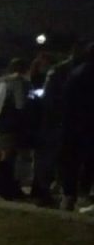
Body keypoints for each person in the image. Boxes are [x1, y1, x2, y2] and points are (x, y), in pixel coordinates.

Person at [33, 41, 78, 206]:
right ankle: (54, 192)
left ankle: (47, 192)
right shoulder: (65, 71)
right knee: (57, 159)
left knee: (49, 159)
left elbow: (47, 99)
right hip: (61, 122)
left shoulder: (57, 71)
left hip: (52, 121)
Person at [61, 42, 94, 212]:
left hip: (73, 124)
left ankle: (69, 195)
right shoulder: (87, 74)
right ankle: (83, 194)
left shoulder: (76, 73)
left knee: (72, 161)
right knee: (88, 161)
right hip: (87, 124)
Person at [0, 58, 28, 200]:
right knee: (11, 157)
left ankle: (1, 186)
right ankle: (7, 188)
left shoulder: (1, 82)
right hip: (13, 122)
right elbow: (20, 104)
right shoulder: (18, 81)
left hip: (0, 122)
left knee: (3, 155)